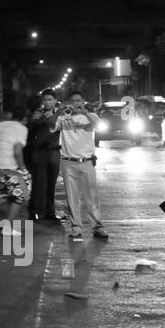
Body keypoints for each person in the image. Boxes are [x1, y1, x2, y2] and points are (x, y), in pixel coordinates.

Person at [58, 90, 107, 241]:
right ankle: (76, 227)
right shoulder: (62, 118)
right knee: (72, 198)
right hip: (67, 161)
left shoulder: (90, 117)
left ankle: (97, 227)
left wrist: (86, 112)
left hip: (86, 161)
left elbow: (100, 125)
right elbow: (51, 126)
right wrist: (59, 111)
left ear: (83, 101)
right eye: (73, 101)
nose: (76, 103)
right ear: (68, 102)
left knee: (92, 196)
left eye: (79, 100)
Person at [0, 100, 30, 222]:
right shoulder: (21, 128)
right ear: (24, 119)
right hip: (10, 169)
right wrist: (23, 169)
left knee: (2, 194)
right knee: (20, 196)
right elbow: (17, 152)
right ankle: (7, 226)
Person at [25, 89, 61, 222]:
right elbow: (28, 130)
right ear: (42, 101)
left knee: (51, 184)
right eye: (45, 99)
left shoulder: (60, 115)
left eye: (50, 99)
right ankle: (33, 210)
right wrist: (34, 120)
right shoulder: (37, 114)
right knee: (38, 183)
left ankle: (50, 212)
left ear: (55, 101)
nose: (47, 102)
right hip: (39, 152)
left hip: (54, 152)